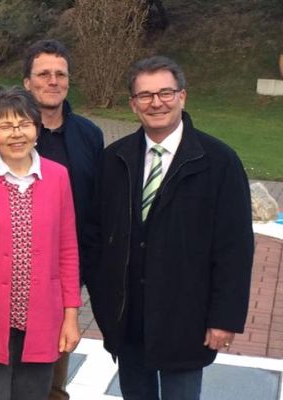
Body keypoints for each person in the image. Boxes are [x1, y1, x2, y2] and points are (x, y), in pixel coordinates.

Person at [83, 56, 254, 399]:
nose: (156, 102)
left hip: (186, 319)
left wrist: (224, 319)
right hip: (129, 320)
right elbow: (95, 236)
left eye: (165, 92)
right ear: (133, 104)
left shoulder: (218, 162)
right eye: (145, 95)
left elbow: (234, 248)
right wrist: (103, 302)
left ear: (183, 97)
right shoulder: (114, 160)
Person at [0, 87, 81, 400]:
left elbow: (68, 252)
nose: (16, 134)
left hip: (43, 320)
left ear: (37, 128)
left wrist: (71, 318)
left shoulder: (58, 177)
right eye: (4, 126)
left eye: (23, 124)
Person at [21, 39, 104, 400]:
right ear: (27, 83)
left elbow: (97, 204)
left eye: (60, 74)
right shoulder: (8, 132)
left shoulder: (89, 135)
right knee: (8, 368)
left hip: (64, 275)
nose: (53, 81)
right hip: (12, 271)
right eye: (43, 74)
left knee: (53, 375)